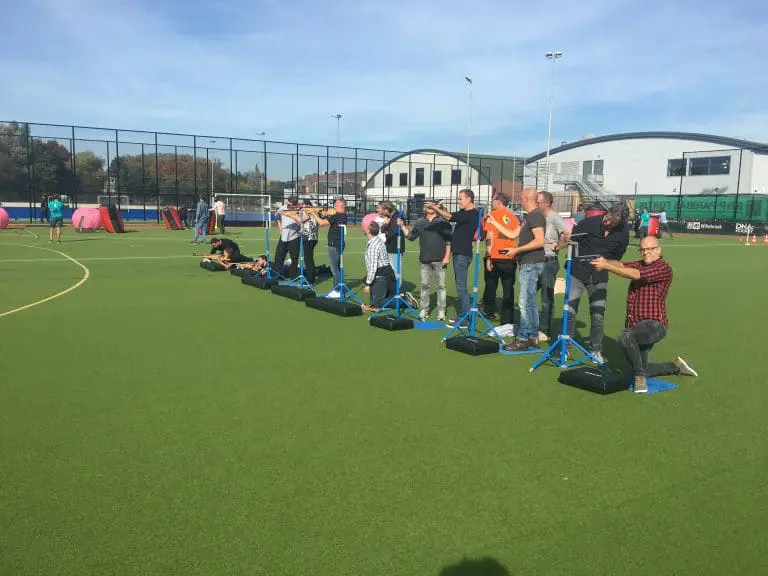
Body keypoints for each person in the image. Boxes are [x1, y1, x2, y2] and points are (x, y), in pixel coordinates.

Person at [591, 236, 697, 393]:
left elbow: (637, 275)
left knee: (625, 337)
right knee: (642, 366)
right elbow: (622, 264)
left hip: (654, 325)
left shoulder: (663, 268)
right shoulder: (640, 264)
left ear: (658, 250)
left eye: (650, 249)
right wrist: (604, 261)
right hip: (636, 326)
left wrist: (607, 266)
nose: (645, 252)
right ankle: (675, 366)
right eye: (642, 250)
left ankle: (639, 378)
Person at [566, 205, 629, 362]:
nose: (608, 223)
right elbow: (571, 244)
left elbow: (617, 258)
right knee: (570, 312)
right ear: (607, 213)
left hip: (599, 276)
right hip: (577, 273)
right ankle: (565, 348)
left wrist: (606, 263)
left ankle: (596, 350)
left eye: (613, 223)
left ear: (620, 222)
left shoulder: (623, 234)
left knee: (598, 315)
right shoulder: (588, 223)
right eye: (607, 218)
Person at [487, 188, 546, 351]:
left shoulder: (536, 216)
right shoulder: (529, 217)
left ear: (526, 199)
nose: (520, 202)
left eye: (521, 199)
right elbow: (513, 234)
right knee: (530, 301)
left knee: (525, 302)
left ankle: (523, 338)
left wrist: (516, 250)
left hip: (531, 262)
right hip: (528, 262)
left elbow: (539, 241)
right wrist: (494, 222)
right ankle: (533, 337)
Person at [428, 189, 478, 326]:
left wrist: (435, 209)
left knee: (461, 287)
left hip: (462, 254)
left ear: (469, 199)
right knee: (460, 286)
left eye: (461, 198)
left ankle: (465, 318)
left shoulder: (471, 214)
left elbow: (449, 217)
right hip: (459, 253)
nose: (458, 201)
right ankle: (465, 315)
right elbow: (449, 215)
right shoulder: (464, 213)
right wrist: (439, 208)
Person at [400, 202, 452, 321]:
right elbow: (411, 237)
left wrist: (447, 256)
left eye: (431, 205)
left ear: (436, 207)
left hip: (440, 259)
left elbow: (449, 240)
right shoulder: (420, 222)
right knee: (424, 286)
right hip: (424, 259)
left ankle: (441, 311)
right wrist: (402, 226)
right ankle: (424, 309)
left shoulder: (443, 222)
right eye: (426, 205)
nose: (428, 207)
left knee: (441, 286)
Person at [537, 191, 571, 340]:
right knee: (528, 294)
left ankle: (544, 330)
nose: (536, 204)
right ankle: (531, 325)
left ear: (547, 203)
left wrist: (559, 246)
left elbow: (569, 234)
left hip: (548, 261)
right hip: (535, 260)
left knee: (546, 297)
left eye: (538, 201)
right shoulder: (537, 216)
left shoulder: (554, 217)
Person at [481, 192, 519, 326]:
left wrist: (488, 257)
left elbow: (489, 236)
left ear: (498, 202)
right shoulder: (513, 217)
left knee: (491, 284)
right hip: (509, 256)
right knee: (508, 288)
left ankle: (489, 311)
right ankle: (507, 319)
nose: (491, 202)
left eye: (493, 200)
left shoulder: (492, 215)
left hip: (496, 256)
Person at [312, 198, 347, 298]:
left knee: (334, 269)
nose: (334, 207)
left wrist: (313, 214)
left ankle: (338, 290)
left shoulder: (337, 216)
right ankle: (338, 289)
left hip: (334, 244)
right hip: (339, 243)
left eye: (335, 205)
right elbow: (329, 217)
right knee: (338, 268)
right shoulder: (343, 215)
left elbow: (321, 223)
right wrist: (324, 214)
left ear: (340, 206)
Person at [363, 221, 395, 310]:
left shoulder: (373, 246)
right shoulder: (377, 240)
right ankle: (375, 302)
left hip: (382, 275)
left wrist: (368, 284)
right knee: (374, 304)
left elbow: (373, 266)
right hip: (386, 273)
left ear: (369, 231)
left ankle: (403, 300)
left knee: (377, 303)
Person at [274, 199, 301, 280]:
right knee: (279, 256)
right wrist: (280, 228)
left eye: (291, 204)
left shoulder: (299, 210)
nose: (289, 206)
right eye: (288, 204)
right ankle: (278, 275)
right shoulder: (283, 208)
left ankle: (293, 275)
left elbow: (301, 221)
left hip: (294, 236)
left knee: (294, 258)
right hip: (283, 236)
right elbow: (277, 217)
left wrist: (290, 214)